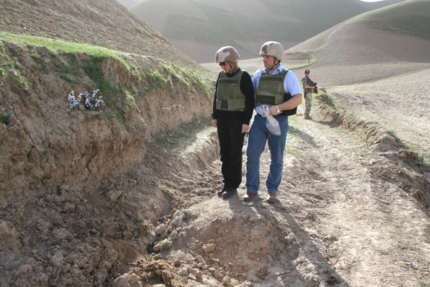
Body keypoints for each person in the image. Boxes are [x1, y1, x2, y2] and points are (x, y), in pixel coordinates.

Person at [243, 41, 302, 203]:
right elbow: (250, 96)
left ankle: (272, 190)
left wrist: (277, 108)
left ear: (277, 58)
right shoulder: (258, 75)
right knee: (252, 153)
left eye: (267, 56)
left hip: (279, 121)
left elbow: (298, 98)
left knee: (277, 157)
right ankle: (251, 189)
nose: (264, 59)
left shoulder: (288, 76)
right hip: (260, 121)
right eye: (263, 56)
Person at [212, 46, 255, 198]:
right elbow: (217, 97)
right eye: (220, 65)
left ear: (232, 62)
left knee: (234, 153)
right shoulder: (221, 76)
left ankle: (233, 185)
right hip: (223, 120)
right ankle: (226, 181)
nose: (222, 67)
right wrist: (215, 116)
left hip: (237, 121)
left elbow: (250, 101)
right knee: (224, 153)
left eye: (224, 64)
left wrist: (246, 122)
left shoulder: (244, 77)